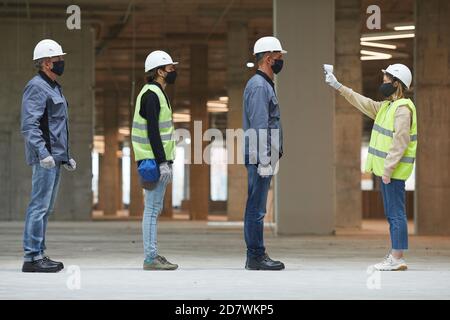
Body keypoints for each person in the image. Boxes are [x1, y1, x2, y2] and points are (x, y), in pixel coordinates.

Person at [325, 64, 417, 271]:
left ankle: (397, 257)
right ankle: (395, 254)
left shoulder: (402, 108)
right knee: (393, 213)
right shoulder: (386, 107)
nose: (382, 84)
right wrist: (338, 86)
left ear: (397, 83)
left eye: (385, 81)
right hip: (387, 171)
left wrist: (388, 169)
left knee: (396, 214)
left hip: (392, 172)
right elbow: (362, 102)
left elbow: (400, 141)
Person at [21, 39, 76, 273]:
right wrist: (43, 153)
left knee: (46, 208)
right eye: (58, 60)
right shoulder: (36, 86)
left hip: (55, 157)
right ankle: (32, 257)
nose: (62, 63)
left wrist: (66, 155)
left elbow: (57, 125)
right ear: (46, 63)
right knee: (38, 207)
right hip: (45, 158)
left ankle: (39, 253)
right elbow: (29, 125)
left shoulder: (54, 86)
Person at [131, 50, 178, 271]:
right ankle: (150, 257)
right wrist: (162, 162)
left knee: (154, 208)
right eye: (170, 68)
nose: (173, 72)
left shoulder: (158, 93)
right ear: (159, 71)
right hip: (152, 162)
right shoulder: (151, 94)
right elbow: (152, 131)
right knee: (151, 209)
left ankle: (152, 255)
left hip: (157, 159)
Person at [242, 36, 286, 271]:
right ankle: (256, 256)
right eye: (279, 58)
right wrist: (263, 159)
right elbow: (260, 125)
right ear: (269, 58)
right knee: (256, 208)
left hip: (263, 155)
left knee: (257, 206)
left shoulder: (264, 84)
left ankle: (255, 255)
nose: (281, 62)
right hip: (260, 157)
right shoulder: (259, 86)